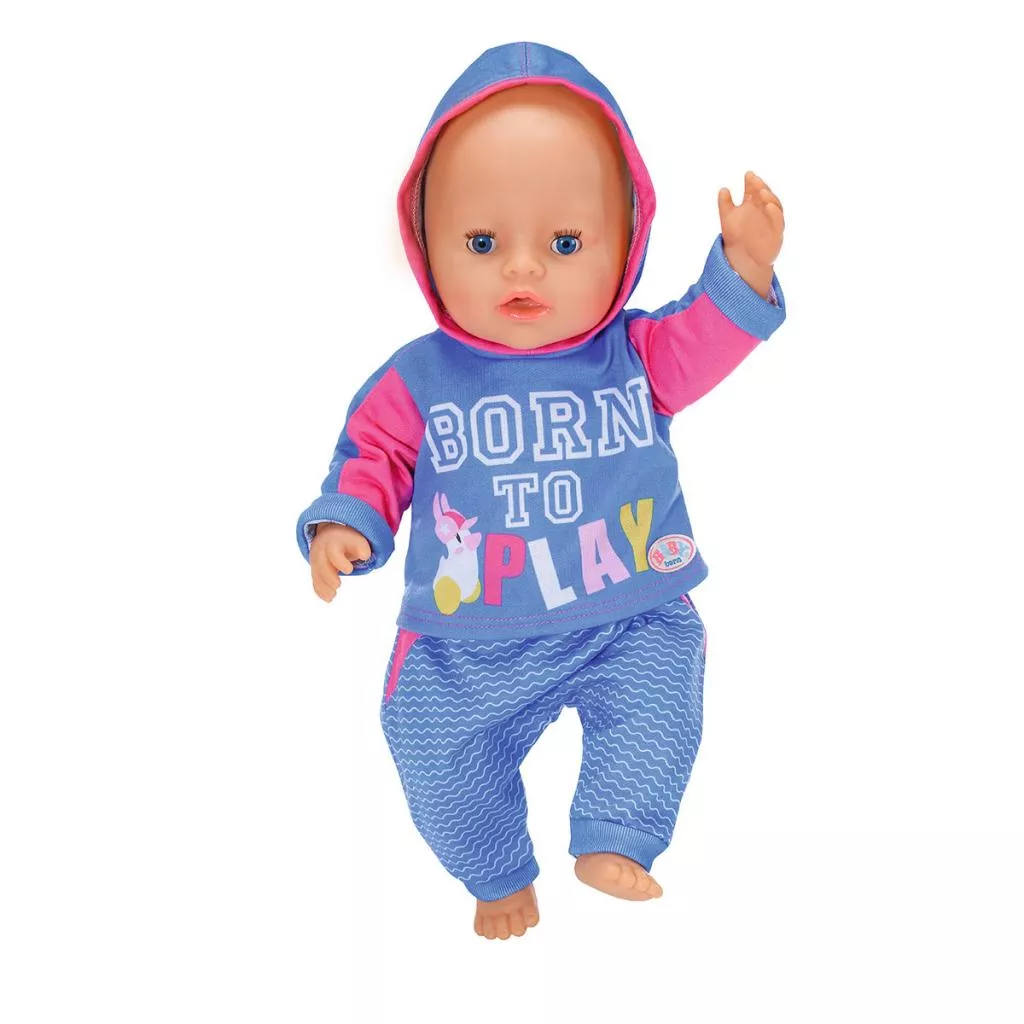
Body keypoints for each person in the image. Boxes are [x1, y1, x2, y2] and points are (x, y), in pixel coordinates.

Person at [296, 41, 786, 940]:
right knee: (428, 747)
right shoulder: (419, 378)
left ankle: (618, 834)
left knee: (661, 697)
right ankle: (493, 873)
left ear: (626, 244)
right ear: (426, 246)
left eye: (565, 243)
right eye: (482, 243)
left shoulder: (635, 356)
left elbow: (707, 338)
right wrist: (348, 524)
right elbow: (373, 455)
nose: (522, 270)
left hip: (627, 609)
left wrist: (743, 270)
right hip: (464, 635)